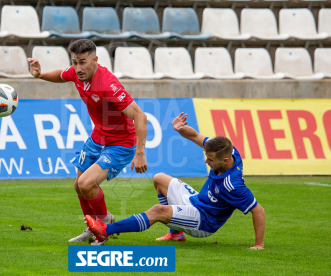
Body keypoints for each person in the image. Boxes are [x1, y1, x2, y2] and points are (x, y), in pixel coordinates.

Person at [27, 39, 148, 244]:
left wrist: (140, 153)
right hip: (98, 136)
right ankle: (95, 225)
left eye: (82, 62)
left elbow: (140, 116)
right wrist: (40, 75)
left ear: (95, 60)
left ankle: (102, 230)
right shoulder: (76, 72)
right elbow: (60, 75)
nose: (78, 68)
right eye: (74, 62)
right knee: (79, 186)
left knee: (86, 183)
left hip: (120, 143)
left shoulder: (108, 85)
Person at [86, 112, 265, 249]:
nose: (206, 161)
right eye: (206, 157)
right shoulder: (228, 151)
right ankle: (176, 234)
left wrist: (259, 245)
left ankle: (105, 231)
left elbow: (258, 211)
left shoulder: (233, 185)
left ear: (225, 161)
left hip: (204, 221)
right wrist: (180, 129)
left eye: (210, 160)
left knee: (158, 211)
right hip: (197, 202)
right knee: (159, 179)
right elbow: (195, 136)